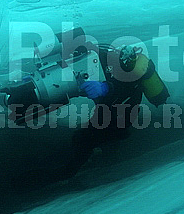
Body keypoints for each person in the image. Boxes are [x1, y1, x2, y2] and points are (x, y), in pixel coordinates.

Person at [63, 43, 169, 178]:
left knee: (83, 138)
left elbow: (123, 88)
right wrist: (81, 48)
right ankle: (111, 143)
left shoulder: (132, 76)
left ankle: (68, 173)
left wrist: (105, 88)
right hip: (111, 107)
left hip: (121, 114)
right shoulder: (106, 57)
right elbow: (92, 49)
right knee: (96, 128)